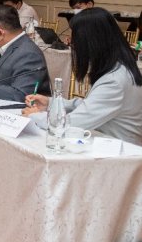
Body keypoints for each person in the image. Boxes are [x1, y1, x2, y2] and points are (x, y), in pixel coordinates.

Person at [23, 8, 142, 145]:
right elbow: (91, 105)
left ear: (91, 43)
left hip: (119, 151)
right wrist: (51, 103)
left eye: (75, 43)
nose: (73, 47)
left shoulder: (114, 81)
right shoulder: (119, 68)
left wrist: (36, 116)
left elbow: (74, 123)